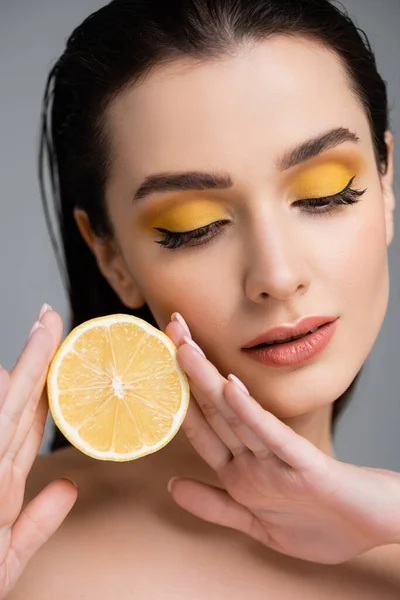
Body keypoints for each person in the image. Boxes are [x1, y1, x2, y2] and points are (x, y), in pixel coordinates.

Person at [1, 0, 400, 597]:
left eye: (326, 192)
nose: (278, 273)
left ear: (386, 181)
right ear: (111, 257)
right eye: (192, 226)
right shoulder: (24, 548)